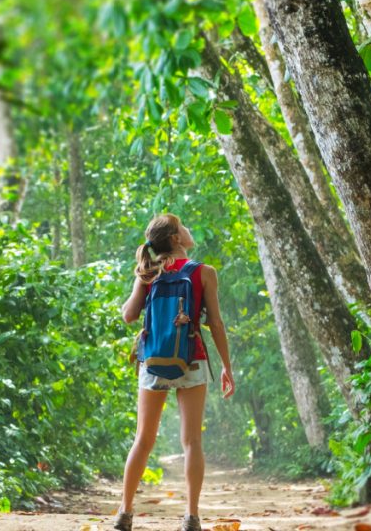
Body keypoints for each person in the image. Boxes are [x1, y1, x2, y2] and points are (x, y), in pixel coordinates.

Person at [114, 213, 236, 531]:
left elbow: (128, 315)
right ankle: (191, 517)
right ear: (176, 239)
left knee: (143, 439)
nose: (188, 230)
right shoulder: (204, 273)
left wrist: (140, 278)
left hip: (153, 360)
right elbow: (216, 324)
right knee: (192, 442)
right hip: (192, 359)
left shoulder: (149, 272)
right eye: (183, 227)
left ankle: (124, 513)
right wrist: (226, 365)